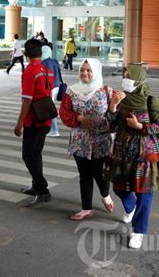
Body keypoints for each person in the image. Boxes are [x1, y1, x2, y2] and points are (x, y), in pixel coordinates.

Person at [107, 64, 159, 249]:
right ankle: (129, 206)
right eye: (124, 75)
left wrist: (141, 127)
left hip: (145, 155)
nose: (125, 79)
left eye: (129, 76)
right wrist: (113, 106)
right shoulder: (120, 98)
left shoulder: (150, 101)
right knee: (119, 188)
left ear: (138, 79)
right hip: (122, 153)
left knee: (144, 195)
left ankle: (138, 232)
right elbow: (110, 126)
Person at [59, 58, 115, 220]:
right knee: (84, 174)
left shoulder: (106, 91)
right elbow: (64, 112)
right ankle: (86, 208)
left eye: (89, 70)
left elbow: (116, 114)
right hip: (80, 140)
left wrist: (115, 107)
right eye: (82, 70)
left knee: (100, 173)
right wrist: (79, 118)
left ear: (96, 72)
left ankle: (105, 195)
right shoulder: (71, 91)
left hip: (102, 140)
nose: (85, 73)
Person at [14, 39, 54, 207]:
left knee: (28, 155)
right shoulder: (47, 69)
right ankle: (36, 185)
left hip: (33, 121)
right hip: (46, 118)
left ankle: (43, 189)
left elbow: (27, 100)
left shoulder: (30, 71)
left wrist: (19, 123)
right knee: (36, 154)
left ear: (26, 54)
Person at [41, 45, 61, 137]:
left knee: (50, 109)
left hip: (50, 88)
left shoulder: (43, 63)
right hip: (57, 86)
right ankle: (50, 128)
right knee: (50, 107)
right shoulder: (55, 61)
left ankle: (54, 130)